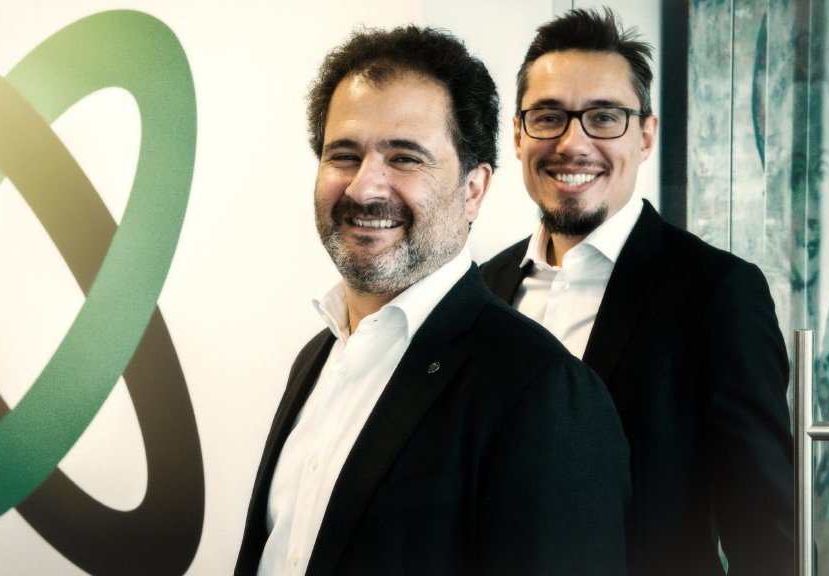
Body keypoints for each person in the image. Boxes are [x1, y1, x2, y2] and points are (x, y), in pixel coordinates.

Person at [235, 25, 630, 576]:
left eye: (405, 158)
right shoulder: (315, 359)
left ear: (473, 190)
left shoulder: (544, 391)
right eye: (344, 155)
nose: (364, 187)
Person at [480, 8, 794, 576]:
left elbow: (766, 531)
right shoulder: (482, 289)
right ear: (518, 136)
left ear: (645, 136)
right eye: (548, 117)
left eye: (604, 117)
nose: (572, 143)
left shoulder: (717, 292)